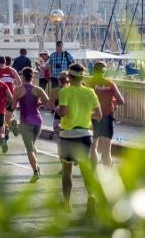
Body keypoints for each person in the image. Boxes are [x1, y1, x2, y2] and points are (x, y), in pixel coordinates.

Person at [57, 63, 102, 215]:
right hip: (85, 134)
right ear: (83, 77)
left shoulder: (65, 91)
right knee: (85, 170)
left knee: (66, 172)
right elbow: (99, 115)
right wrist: (85, 114)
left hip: (68, 134)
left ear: (69, 77)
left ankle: (67, 203)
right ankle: (91, 196)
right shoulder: (90, 92)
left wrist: (58, 109)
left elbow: (62, 112)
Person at [13, 67, 50, 183]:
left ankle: (35, 171)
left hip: (25, 121)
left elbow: (13, 106)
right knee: (32, 145)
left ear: (23, 77)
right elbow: (47, 101)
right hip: (38, 121)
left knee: (29, 148)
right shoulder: (38, 89)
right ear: (32, 77)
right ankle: (36, 166)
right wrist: (38, 105)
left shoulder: (18, 90)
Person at [86, 62, 125, 167]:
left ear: (94, 70)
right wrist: (112, 102)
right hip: (107, 118)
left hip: (93, 117)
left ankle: (93, 174)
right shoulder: (110, 84)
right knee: (107, 151)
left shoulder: (89, 84)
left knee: (93, 147)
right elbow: (121, 101)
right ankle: (109, 177)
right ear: (105, 71)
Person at [0, 55, 21, 142]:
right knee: (8, 117)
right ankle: (8, 132)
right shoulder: (12, 70)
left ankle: (6, 134)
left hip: (2, 97)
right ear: (5, 62)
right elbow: (19, 82)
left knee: (3, 118)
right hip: (12, 96)